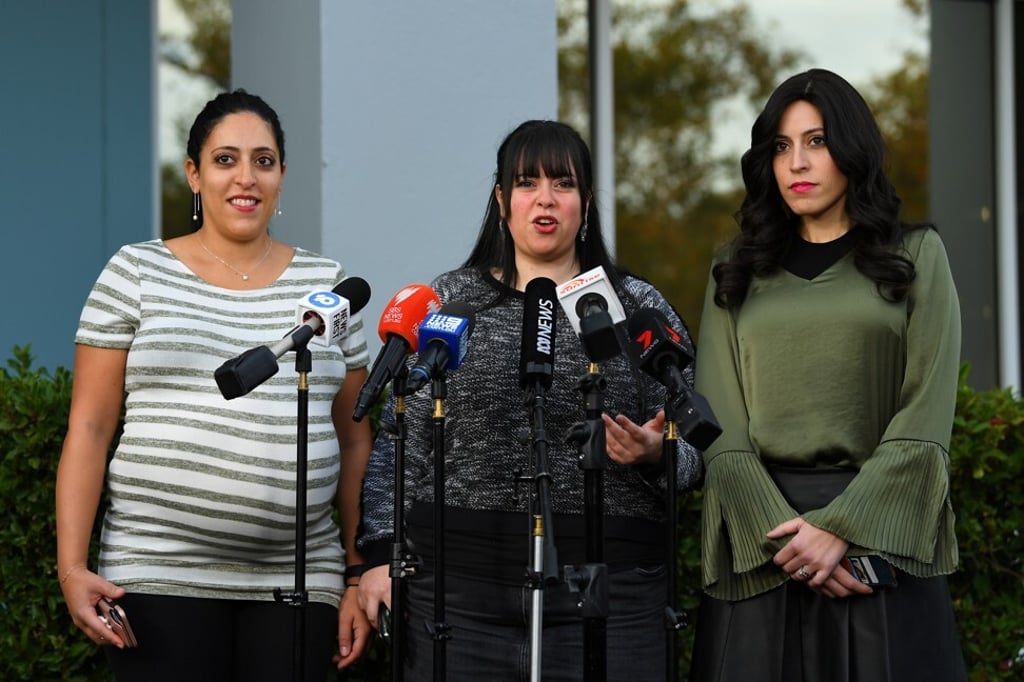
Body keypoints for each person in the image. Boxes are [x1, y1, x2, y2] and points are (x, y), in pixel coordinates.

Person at [356, 119, 704, 680]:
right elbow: (400, 444)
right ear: (501, 200)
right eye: (526, 183)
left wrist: (654, 453)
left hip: (611, 594)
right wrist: (376, 557)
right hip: (458, 591)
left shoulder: (635, 306)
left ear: (585, 202)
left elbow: (695, 452)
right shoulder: (452, 299)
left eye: (562, 184)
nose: (545, 199)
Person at [55, 89, 373, 681]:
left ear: (281, 177)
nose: (245, 177)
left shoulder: (327, 285)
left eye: (264, 160)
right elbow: (90, 427)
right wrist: (72, 568)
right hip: (155, 574)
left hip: (299, 581)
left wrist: (357, 572)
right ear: (194, 175)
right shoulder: (137, 272)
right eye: (225, 159)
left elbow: (355, 438)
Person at [688, 68, 967, 681]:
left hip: (881, 550)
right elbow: (721, 432)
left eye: (816, 141)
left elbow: (924, 419)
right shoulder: (734, 270)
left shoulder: (917, 256)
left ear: (852, 150)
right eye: (782, 147)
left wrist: (841, 529)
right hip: (763, 545)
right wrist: (793, 543)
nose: (797, 163)